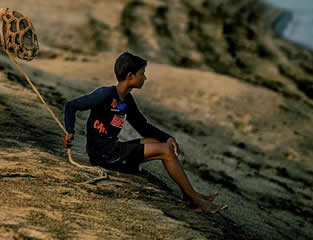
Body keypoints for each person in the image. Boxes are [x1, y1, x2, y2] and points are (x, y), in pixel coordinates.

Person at [62, 52, 226, 214]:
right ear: (130, 75)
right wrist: (70, 131)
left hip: (113, 149)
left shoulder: (127, 100)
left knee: (157, 142)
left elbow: (143, 126)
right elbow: (71, 106)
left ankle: (189, 197)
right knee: (165, 151)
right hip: (104, 154)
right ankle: (197, 201)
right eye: (142, 74)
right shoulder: (105, 94)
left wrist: (168, 137)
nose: (145, 78)